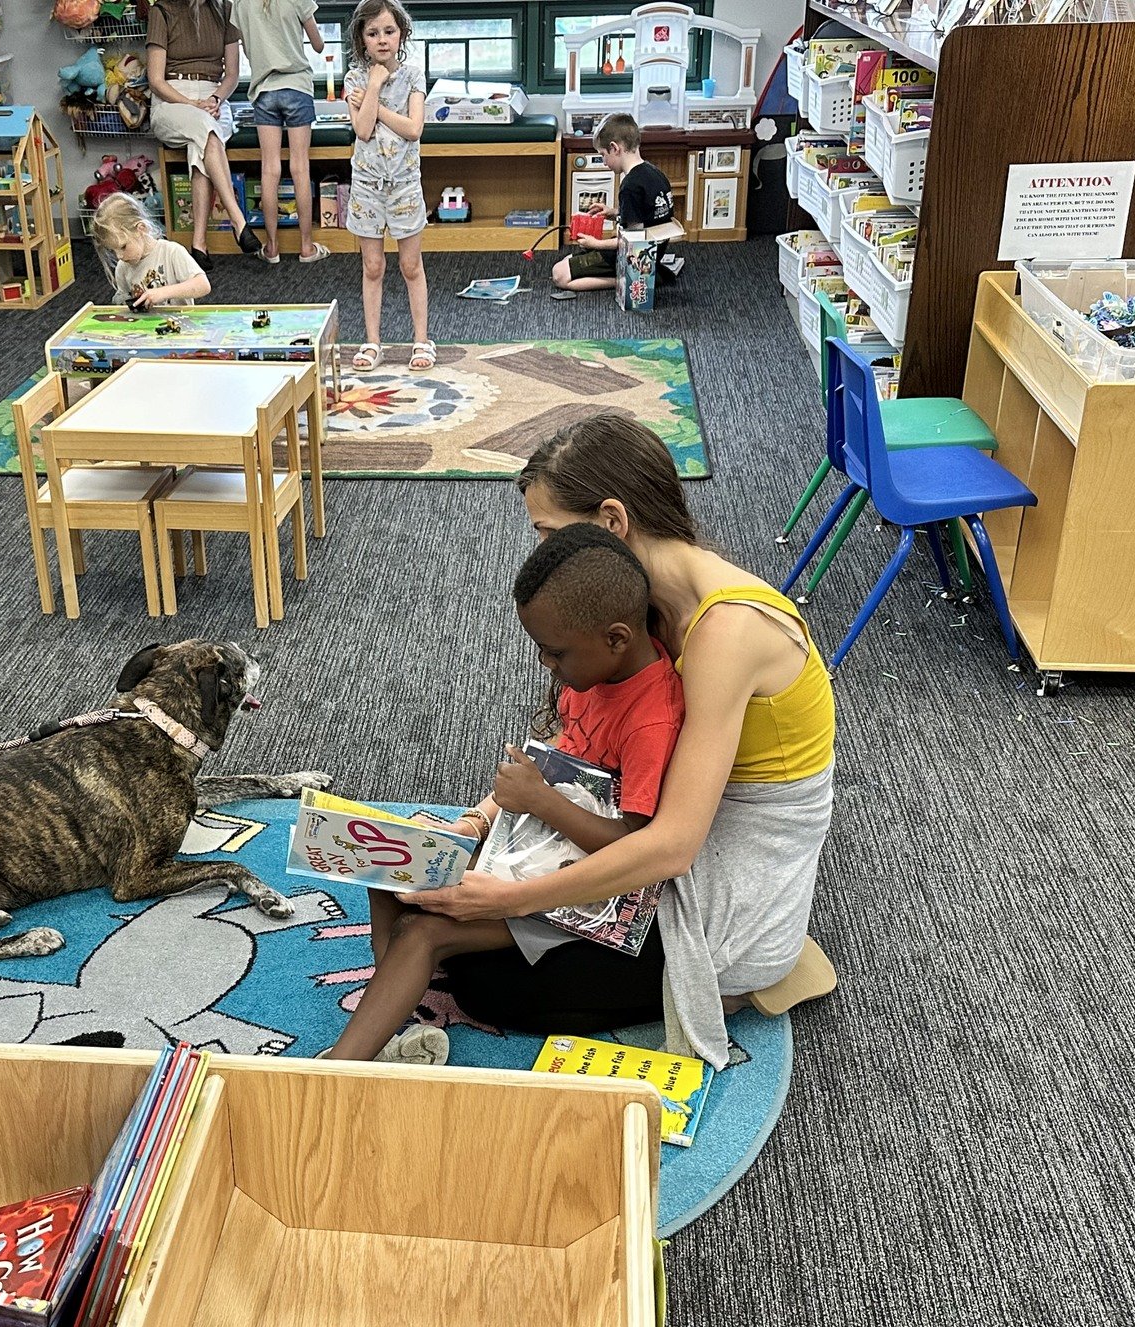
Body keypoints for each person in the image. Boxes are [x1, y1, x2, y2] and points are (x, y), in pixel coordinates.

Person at [405, 415, 837, 1066]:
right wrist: (480, 818)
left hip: (722, 889)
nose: (540, 556)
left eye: (548, 533)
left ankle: (743, 985)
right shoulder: (643, 606)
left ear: (611, 521)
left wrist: (513, 898)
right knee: (460, 922)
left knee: (487, 980)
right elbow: (575, 740)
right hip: (661, 837)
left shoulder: (726, 632)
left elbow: (672, 846)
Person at [327, 523, 686, 1063]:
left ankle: (341, 1066)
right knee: (389, 863)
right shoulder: (596, 678)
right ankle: (396, 1016)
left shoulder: (650, 720)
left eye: (555, 653)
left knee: (423, 930)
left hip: (583, 891)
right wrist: (479, 821)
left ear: (616, 637)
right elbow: (568, 753)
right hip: (531, 847)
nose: (549, 666)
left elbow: (632, 844)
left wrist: (540, 800)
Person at [342, 0, 432, 372]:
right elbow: (361, 132)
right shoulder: (354, 79)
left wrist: (375, 102)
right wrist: (374, 83)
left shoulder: (412, 76)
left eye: (389, 31)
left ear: (402, 35)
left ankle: (422, 341)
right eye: (373, 33)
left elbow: (413, 129)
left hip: (404, 185)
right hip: (366, 186)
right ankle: (373, 341)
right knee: (373, 265)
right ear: (361, 39)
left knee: (411, 265)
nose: (382, 40)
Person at [145, 0, 265, 265]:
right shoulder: (161, 11)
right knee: (206, 131)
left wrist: (216, 99)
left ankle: (198, 246)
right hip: (172, 100)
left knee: (202, 144)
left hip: (214, 101)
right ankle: (239, 220)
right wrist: (192, 105)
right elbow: (155, 80)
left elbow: (232, 74)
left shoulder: (225, 9)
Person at [232, 0, 330, 265]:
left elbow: (248, 47)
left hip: (263, 91)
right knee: (300, 167)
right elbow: (319, 44)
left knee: (269, 169)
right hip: (297, 87)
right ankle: (307, 247)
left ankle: (272, 248)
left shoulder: (240, 4)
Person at [552, 113, 676, 299]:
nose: (604, 162)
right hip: (655, 253)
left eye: (603, 155)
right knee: (568, 259)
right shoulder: (654, 173)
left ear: (614, 148)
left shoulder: (630, 186)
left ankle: (636, 280)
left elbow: (633, 242)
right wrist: (613, 212)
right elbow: (647, 217)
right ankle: (648, 274)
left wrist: (598, 244)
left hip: (637, 259)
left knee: (559, 274)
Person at [91, 192, 211, 307]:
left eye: (123, 247)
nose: (119, 256)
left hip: (180, 324)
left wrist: (164, 292)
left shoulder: (171, 252)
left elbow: (203, 285)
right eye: (113, 250)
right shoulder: (122, 268)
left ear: (141, 229)